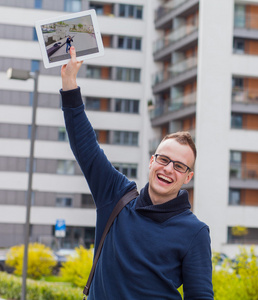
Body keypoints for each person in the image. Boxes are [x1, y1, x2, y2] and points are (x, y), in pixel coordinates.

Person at [60, 46, 214, 299]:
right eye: (163, 159)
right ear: (151, 161)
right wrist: (69, 85)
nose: (168, 169)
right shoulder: (116, 197)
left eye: (179, 166)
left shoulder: (194, 232)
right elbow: (85, 147)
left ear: (188, 177)